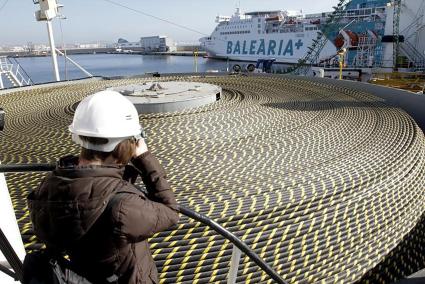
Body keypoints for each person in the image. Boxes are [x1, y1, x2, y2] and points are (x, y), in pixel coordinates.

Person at [27, 90, 179, 284]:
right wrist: (144, 159)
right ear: (125, 144)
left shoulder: (49, 185)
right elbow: (171, 212)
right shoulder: (124, 205)